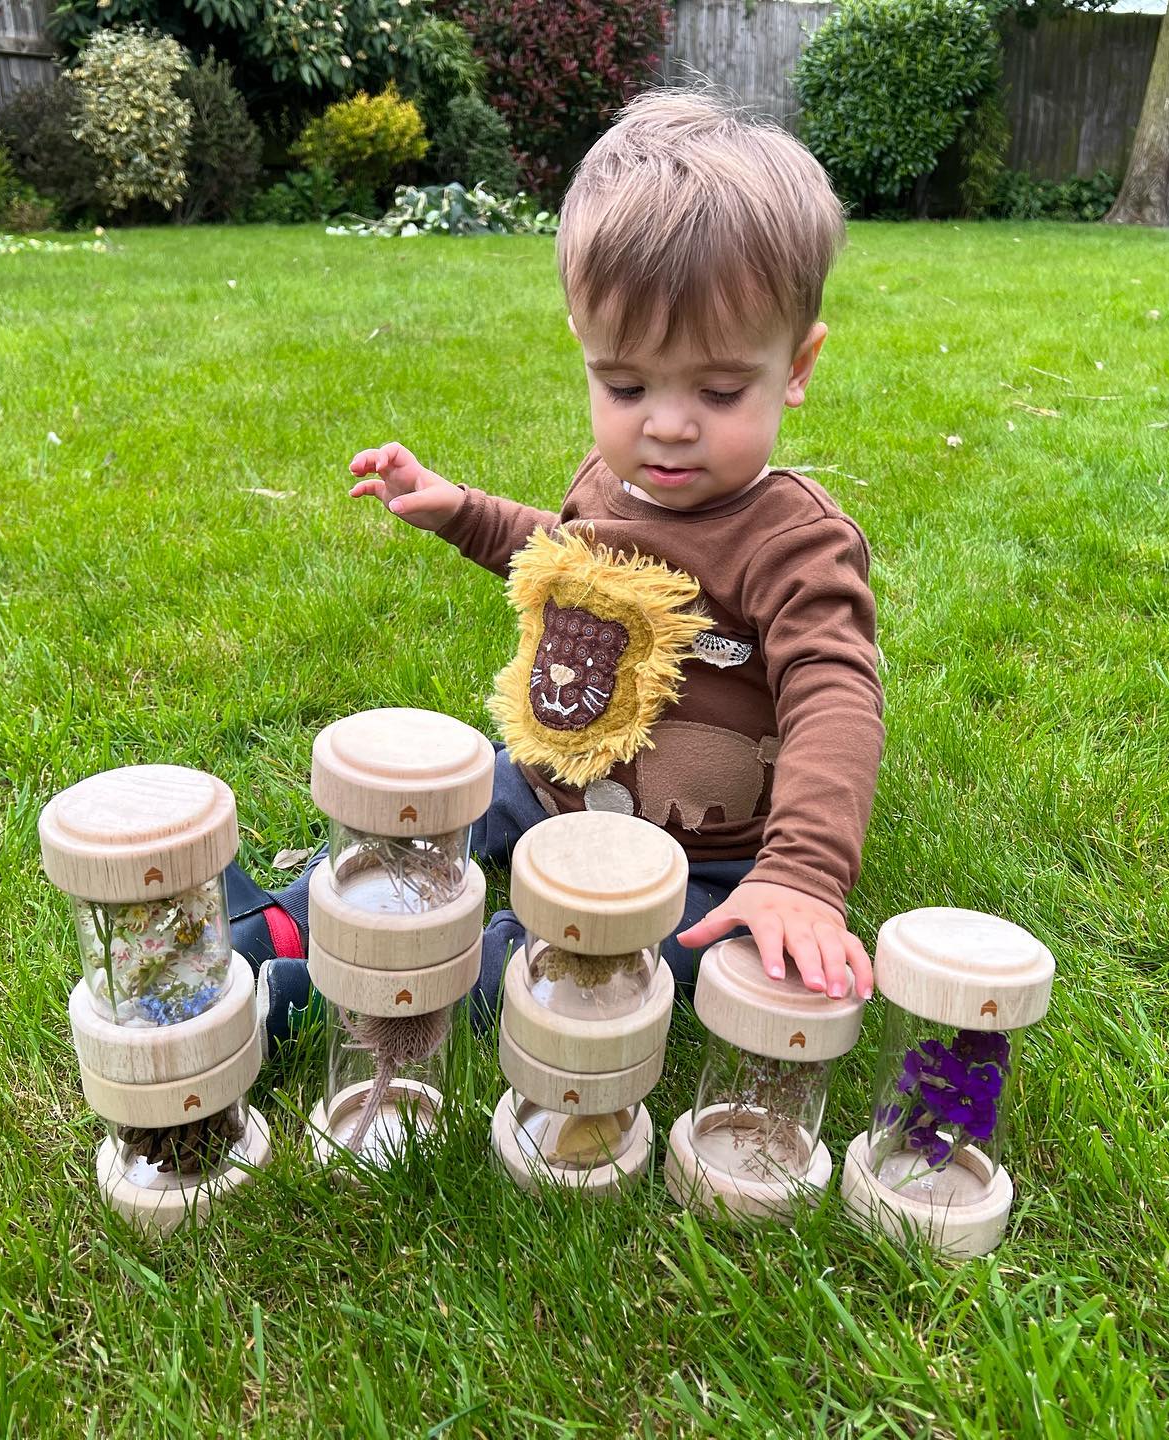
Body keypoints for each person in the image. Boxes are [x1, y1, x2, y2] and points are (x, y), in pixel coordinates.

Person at [243, 88, 885, 1050]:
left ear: (797, 365)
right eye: (625, 385)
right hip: (549, 782)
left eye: (718, 389)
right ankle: (296, 918)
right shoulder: (609, 481)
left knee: (621, 969)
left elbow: (837, 697)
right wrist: (459, 512)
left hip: (697, 857)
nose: (666, 423)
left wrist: (797, 873)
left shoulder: (793, 542)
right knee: (433, 810)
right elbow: (562, 555)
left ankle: (428, 980)